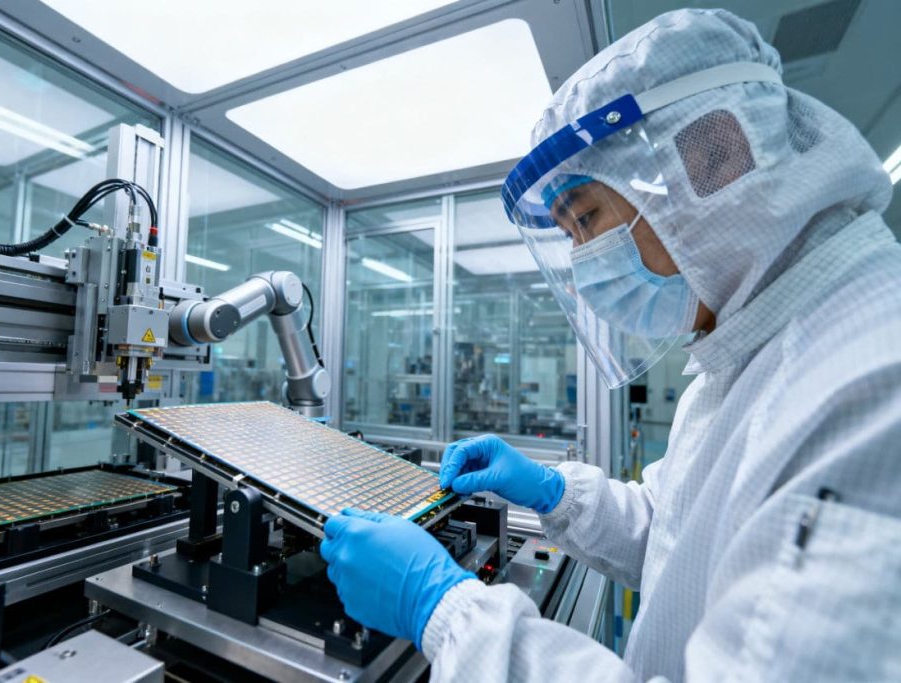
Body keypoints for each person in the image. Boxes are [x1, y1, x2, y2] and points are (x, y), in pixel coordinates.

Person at [320, 8, 901, 681]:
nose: (583, 258)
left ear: (714, 157)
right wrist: (552, 492)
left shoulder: (871, 386)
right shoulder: (739, 356)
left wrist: (445, 610)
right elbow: (677, 534)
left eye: (587, 217)